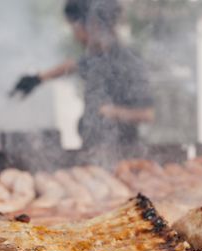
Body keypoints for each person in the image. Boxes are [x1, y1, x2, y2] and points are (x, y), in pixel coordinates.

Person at [10, 0, 155, 149]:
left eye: (75, 27)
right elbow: (73, 65)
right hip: (92, 152)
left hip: (123, 155)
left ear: (93, 24)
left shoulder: (129, 62)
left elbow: (147, 114)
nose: (75, 35)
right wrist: (38, 78)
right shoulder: (97, 55)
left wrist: (109, 112)